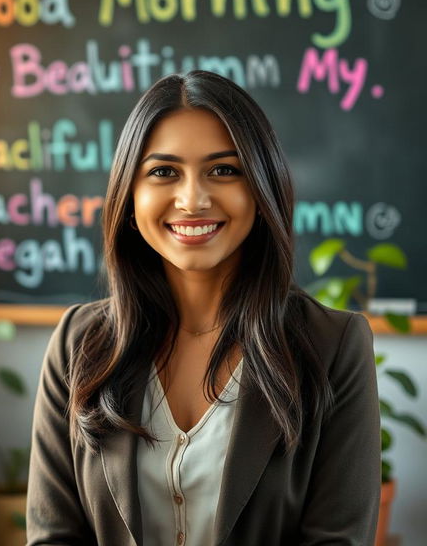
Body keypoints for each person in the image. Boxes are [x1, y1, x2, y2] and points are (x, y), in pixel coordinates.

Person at [26, 70, 381, 546]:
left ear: (261, 188)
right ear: (130, 197)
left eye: (224, 170)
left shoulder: (334, 345)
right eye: (163, 172)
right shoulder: (78, 343)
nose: (192, 199)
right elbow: (53, 536)